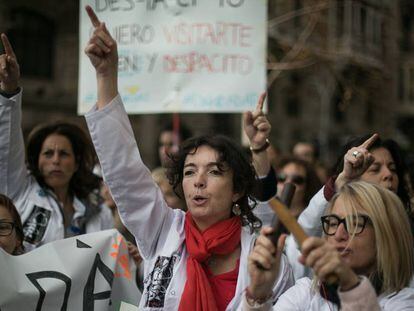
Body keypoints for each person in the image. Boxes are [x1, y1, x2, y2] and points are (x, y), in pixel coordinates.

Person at [83, 6, 293, 310]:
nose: (199, 182)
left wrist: (258, 296)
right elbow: (124, 170)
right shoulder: (165, 229)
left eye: (214, 172)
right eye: (190, 172)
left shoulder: (265, 257)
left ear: (236, 189)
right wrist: (106, 75)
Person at [0, 33, 113, 251]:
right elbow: (6, 148)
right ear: (37, 160)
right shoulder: (20, 192)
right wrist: (9, 91)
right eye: (48, 154)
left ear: (77, 162)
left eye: (64, 154)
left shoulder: (98, 210)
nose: (55, 161)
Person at [243, 181, 414, 310]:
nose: (339, 234)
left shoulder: (404, 302)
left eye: (355, 223)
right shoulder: (306, 294)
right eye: (332, 223)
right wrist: (258, 294)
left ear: (386, 234)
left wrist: (350, 285)